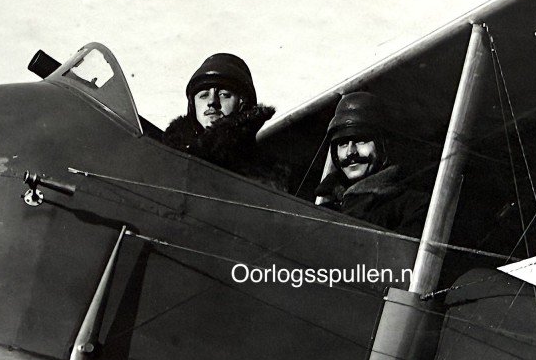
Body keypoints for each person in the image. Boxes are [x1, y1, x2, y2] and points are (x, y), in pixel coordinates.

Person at [314, 91, 430, 235]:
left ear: (383, 145)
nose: (350, 152)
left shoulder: (413, 205)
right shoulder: (322, 212)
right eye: (343, 144)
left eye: (361, 140)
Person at [163, 53, 284, 186]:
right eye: (203, 95)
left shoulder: (267, 171)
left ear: (243, 103)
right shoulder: (164, 157)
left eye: (224, 95)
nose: (212, 102)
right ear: (193, 106)